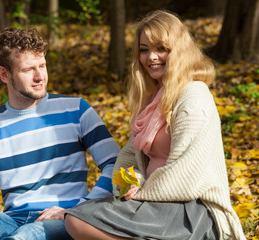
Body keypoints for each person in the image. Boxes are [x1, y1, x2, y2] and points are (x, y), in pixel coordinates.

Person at [0, 27, 120, 240]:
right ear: (4, 74)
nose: (39, 76)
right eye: (27, 70)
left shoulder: (76, 110)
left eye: (42, 66)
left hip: (64, 221)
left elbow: (116, 165)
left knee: (24, 236)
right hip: (9, 224)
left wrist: (80, 210)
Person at [65, 10, 246, 240]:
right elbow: (130, 156)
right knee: (77, 218)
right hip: (154, 204)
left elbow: (185, 177)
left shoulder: (194, 95)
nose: (151, 57)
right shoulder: (154, 99)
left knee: (78, 221)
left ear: (179, 51)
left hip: (193, 211)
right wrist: (127, 186)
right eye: (144, 49)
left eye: (161, 48)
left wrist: (140, 193)